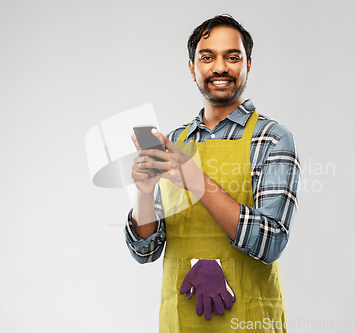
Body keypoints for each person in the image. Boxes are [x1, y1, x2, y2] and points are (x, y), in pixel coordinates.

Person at [124, 14, 300, 333]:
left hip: (249, 322)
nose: (220, 67)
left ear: (248, 65)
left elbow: (271, 242)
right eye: (208, 57)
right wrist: (144, 191)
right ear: (192, 68)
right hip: (181, 323)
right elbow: (145, 251)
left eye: (232, 57)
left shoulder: (273, 139)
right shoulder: (174, 142)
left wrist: (193, 176)